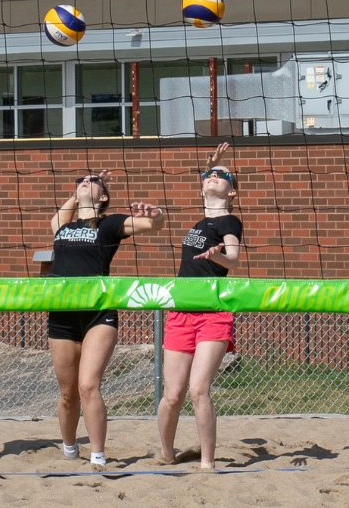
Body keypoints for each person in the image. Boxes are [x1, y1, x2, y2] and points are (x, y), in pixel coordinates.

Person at [47, 170, 164, 468]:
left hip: (98, 314)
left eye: (92, 181)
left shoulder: (109, 223)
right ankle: (70, 450)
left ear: (104, 197)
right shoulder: (64, 225)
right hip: (62, 316)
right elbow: (55, 221)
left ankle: (98, 458)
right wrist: (82, 188)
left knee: (88, 386)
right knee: (67, 395)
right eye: (79, 179)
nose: (84, 181)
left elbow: (154, 224)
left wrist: (156, 212)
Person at [157, 143, 243, 470]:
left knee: (197, 390)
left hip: (213, 312)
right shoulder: (200, 222)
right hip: (181, 311)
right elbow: (207, 180)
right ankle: (166, 454)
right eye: (209, 177)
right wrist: (213, 166)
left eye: (222, 178)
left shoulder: (228, 223)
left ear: (231, 193)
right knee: (173, 394)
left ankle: (208, 464)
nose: (213, 178)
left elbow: (233, 261)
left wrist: (217, 256)